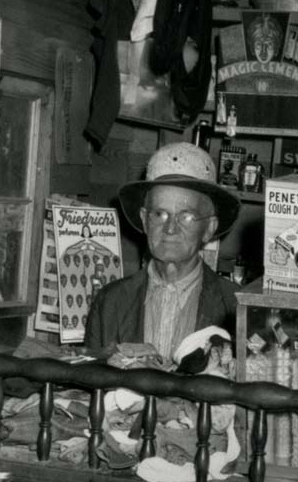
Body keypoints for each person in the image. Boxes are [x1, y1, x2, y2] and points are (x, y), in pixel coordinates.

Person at [84, 142, 241, 360]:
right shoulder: (110, 302)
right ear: (144, 220)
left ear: (209, 228)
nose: (170, 228)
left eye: (186, 216)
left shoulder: (236, 307)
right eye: (160, 214)